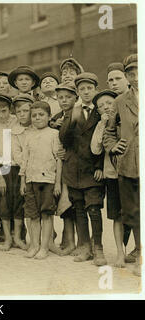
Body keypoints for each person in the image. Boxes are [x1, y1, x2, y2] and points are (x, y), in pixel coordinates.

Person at [59, 72, 106, 266]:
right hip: (74, 169)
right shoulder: (73, 112)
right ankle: (85, 246)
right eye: (82, 89)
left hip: (92, 169)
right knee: (79, 209)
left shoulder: (101, 111)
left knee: (93, 209)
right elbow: (64, 139)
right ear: (77, 92)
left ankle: (98, 248)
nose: (86, 92)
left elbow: (105, 141)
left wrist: (100, 166)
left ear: (95, 90)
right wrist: (71, 120)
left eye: (89, 88)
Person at [104, 54, 140, 277]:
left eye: (139, 72)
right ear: (127, 76)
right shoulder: (120, 101)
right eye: (131, 73)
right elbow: (108, 132)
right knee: (134, 213)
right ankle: (140, 259)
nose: (135, 77)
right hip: (129, 166)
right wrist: (114, 146)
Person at [20, 101, 62, 259]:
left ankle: (45, 246)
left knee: (46, 214)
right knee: (33, 215)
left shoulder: (54, 134)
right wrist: (23, 181)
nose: (37, 118)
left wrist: (57, 183)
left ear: (49, 116)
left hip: (48, 180)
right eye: (34, 115)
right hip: (31, 180)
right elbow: (25, 160)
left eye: (41, 115)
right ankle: (34, 245)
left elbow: (58, 159)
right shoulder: (28, 136)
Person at [90, 89, 126, 267]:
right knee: (116, 215)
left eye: (109, 103)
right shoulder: (101, 124)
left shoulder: (126, 118)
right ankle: (120, 253)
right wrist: (101, 125)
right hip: (112, 174)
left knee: (134, 215)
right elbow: (95, 149)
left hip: (131, 172)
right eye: (101, 106)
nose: (106, 107)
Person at [51, 84, 79, 256]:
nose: (64, 100)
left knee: (76, 205)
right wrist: (54, 123)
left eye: (68, 97)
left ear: (75, 98)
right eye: (61, 97)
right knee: (66, 204)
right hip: (62, 166)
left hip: (76, 164)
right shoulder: (57, 117)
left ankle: (76, 241)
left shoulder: (79, 115)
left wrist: (67, 151)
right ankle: (68, 240)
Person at [0, 93, 18, 251]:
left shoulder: (17, 121)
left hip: (17, 166)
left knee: (18, 201)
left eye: (4, 110)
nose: (0, 115)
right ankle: (7, 237)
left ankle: (18, 236)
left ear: (10, 109)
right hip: (3, 166)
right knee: (4, 201)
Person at [11, 93, 35, 250]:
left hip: (38, 171)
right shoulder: (15, 132)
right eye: (19, 112)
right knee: (19, 204)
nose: (22, 114)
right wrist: (27, 165)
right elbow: (17, 154)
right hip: (19, 170)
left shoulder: (37, 128)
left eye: (25, 111)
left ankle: (37, 237)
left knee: (35, 204)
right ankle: (18, 236)